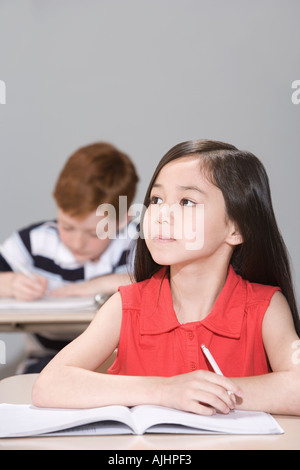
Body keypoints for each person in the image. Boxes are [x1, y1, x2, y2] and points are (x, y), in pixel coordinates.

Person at [32, 139, 300, 416]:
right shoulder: (124, 307)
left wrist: (202, 392)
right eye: (156, 200)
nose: (161, 214)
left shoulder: (266, 307)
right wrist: (166, 391)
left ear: (236, 229)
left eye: (186, 201)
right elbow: (49, 385)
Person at [0, 141, 139, 372]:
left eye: (93, 233)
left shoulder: (139, 242)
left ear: (123, 219)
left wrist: (99, 285)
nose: (76, 242)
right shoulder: (34, 243)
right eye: (67, 227)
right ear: (57, 203)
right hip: (47, 363)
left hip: (121, 365)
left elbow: (169, 284)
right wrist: (11, 284)